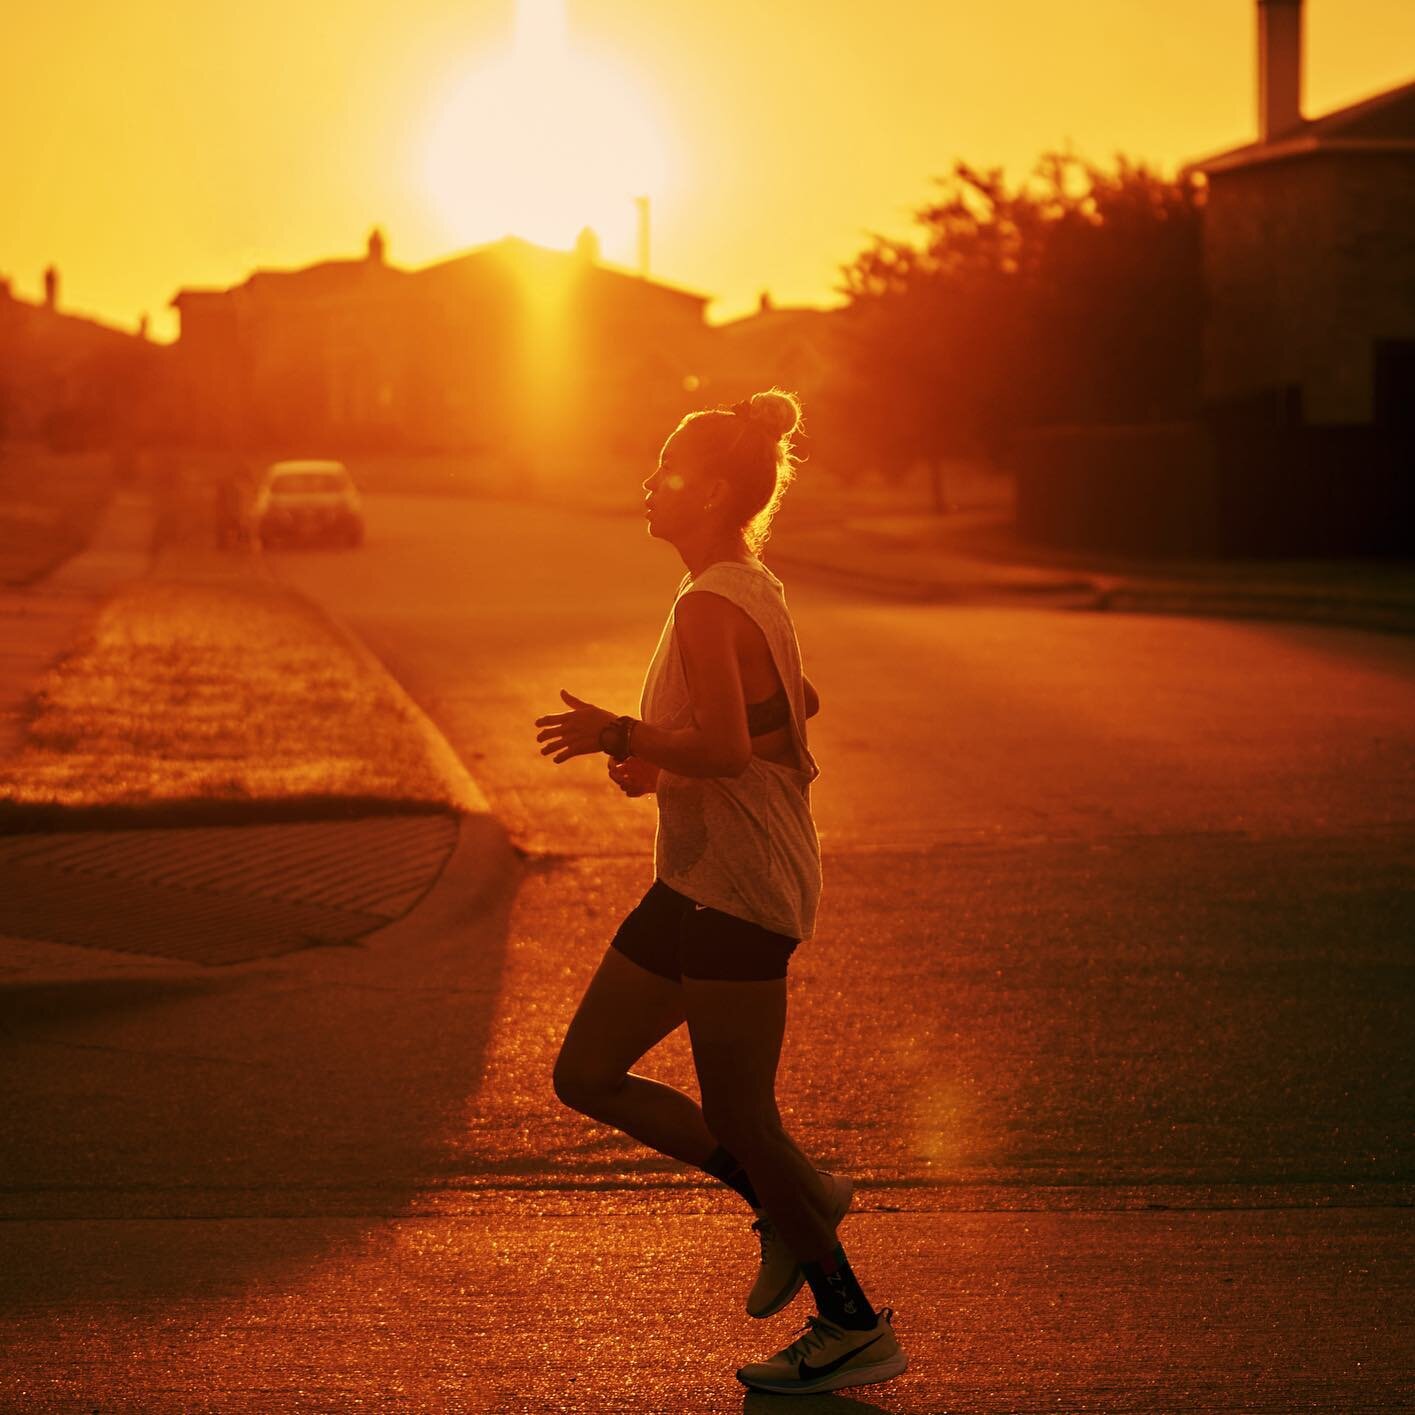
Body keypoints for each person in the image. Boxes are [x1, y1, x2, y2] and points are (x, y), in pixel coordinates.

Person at [533, 388, 907, 1397]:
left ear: (705, 492)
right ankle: (797, 1197)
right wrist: (661, 759)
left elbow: (735, 749)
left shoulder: (710, 599)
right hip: (699, 878)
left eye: (664, 471)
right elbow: (794, 706)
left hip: (738, 886)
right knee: (586, 1072)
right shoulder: (744, 583)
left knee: (740, 1112)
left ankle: (849, 1317)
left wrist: (626, 734)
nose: (647, 485)